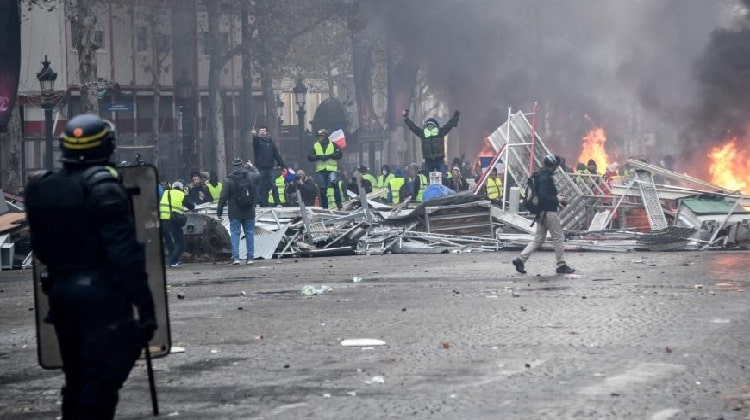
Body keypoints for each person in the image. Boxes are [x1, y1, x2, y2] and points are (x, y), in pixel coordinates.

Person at [24, 114, 156, 419]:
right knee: (101, 380)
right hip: (101, 297)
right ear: (107, 146)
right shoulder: (104, 187)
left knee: (75, 377)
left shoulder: (41, 187)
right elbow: (123, 255)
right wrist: (145, 306)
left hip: (58, 292)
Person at [512, 154, 575, 275]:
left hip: (541, 212)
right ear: (553, 166)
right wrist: (557, 199)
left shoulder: (538, 175)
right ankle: (561, 265)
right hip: (549, 212)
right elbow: (544, 196)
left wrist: (556, 200)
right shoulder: (546, 178)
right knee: (558, 237)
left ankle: (520, 259)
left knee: (539, 239)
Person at [217, 157, 256, 265]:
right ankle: (250, 258)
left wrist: (219, 211)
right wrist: (252, 167)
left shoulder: (228, 179)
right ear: (242, 165)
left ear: (233, 166)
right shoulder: (250, 175)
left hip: (234, 212)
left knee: (235, 234)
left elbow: (223, 196)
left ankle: (236, 258)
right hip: (249, 211)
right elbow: (259, 177)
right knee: (249, 234)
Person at [403, 109, 460, 174]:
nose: (430, 127)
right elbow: (414, 128)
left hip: (439, 159)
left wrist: (455, 118)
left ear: (435, 126)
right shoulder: (423, 134)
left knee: (443, 176)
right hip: (428, 160)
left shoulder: (440, 132)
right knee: (426, 176)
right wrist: (406, 119)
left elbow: (448, 126)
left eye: (431, 125)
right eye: (428, 126)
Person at [160, 180, 195, 267]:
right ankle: (173, 261)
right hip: (173, 221)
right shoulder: (181, 194)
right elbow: (191, 206)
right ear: (181, 188)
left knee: (168, 241)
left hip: (162, 220)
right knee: (179, 242)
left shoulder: (166, 192)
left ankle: (174, 260)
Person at [307, 129, 343, 209]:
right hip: (321, 169)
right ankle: (325, 207)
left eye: (321, 136)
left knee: (334, 184)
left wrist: (330, 156)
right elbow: (310, 157)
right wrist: (319, 157)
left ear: (325, 136)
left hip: (331, 169)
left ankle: (339, 204)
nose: (319, 138)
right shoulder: (315, 145)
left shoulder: (333, 145)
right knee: (322, 189)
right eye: (318, 136)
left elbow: (339, 154)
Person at [253, 126, 286, 207]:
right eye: (260, 131)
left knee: (274, 185)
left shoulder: (271, 142)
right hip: (260, 168)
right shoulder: (257, 141)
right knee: (259, 186)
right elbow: (255, 145)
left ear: (267, 132)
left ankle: (277, 202)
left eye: (264, 131)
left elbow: (276, 155)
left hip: (270, 168)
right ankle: (257, 202)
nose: (262, 132)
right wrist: (254, 136)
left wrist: (283, 165)